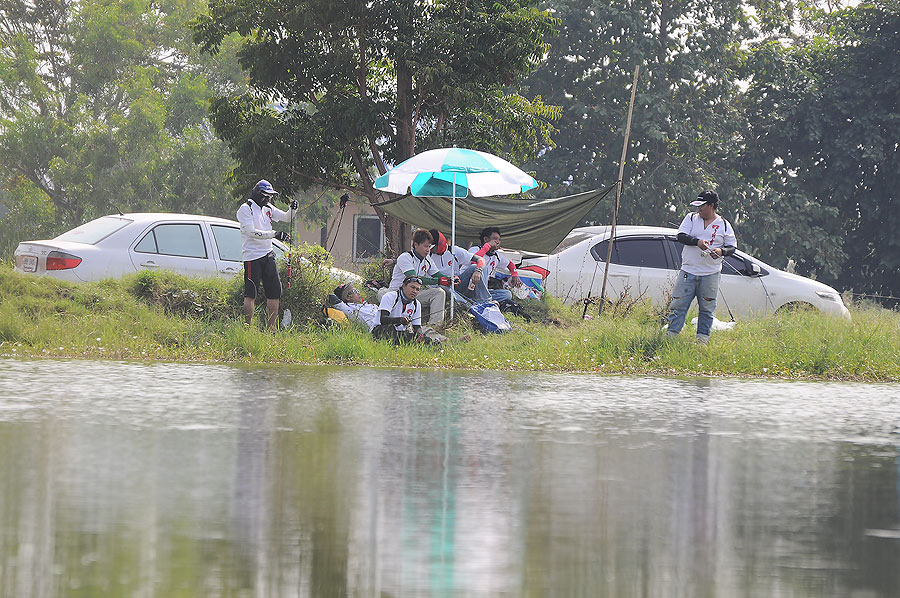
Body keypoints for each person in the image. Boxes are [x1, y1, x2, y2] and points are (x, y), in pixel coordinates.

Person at [666, 190, 737, 344]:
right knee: (678, 305)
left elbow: (732, 248)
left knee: (707, 309)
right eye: (697, 206)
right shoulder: (691, 218)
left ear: (711, 206)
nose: (698, 209)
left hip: (711, 273)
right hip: (688, 270)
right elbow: (681, 236)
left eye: (702, 206)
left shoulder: (724, 224)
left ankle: (702, 342)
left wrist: (721, 251)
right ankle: (670, 338)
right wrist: (697, 242)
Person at [236, 179, 297, 330]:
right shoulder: (246, 209)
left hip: (268, 254)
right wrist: (275, 234)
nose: (267, 199)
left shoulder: (268, 207)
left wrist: (293, 209)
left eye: (269, 196)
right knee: (251, 293)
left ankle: (271, 328)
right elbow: (251, 232)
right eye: (265, 196)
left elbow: (286, 218)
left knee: (274, 292)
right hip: (252, 256)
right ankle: (247, 327)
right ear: (257, 194)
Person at [379, 229, 448, 326]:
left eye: (429, 246)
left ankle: (434, 326)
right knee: (383, 294)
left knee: (439, 292)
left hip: (413, 295)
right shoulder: (405, 257)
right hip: (396, 295)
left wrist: (450, 280)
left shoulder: (427, 259)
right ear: (416, 245)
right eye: (425, 246)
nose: (428, 250)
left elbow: (438, 275)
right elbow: (414, 279)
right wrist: (439, 281)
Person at [427, 229, 492, 302]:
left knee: (477, 267)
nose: (429, 249)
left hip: (458, 283)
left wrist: (478, 271)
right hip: (443, 287)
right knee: (442, 287)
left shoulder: (454, 251)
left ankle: (485, 301)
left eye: (432, 247)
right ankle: (467, 305)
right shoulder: (427, 256)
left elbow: (480, 260)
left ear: (440, 243)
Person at [470, 226, 522, 303]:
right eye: (495, 239)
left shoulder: (497, 256)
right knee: (482, 265)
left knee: (507, 294)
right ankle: (483, 300)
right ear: (486, 239)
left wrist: (515, 274)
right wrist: (487, 246)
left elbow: (510, 264)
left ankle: (479, 300)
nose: (498, 242)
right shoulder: (475, 249)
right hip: (469, 285)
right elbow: (473, 262)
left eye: (499, 240)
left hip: (482, 290)